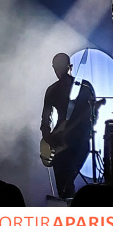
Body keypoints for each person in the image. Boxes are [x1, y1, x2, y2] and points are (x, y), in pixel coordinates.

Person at [40, 52, 97, 200]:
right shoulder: (82, 88)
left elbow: (45, 121)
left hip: (76, 141)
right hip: (66, 142)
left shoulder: (82, 87)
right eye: (56, 67)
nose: (57, 71)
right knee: (64, 187)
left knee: (65, 183)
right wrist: (49, 138)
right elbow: (45, 120)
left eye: (58, 67)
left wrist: (48, 136)